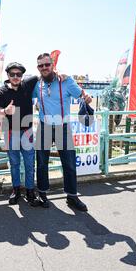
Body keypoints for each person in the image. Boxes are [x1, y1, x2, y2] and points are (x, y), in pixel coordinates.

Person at [32, 53, 93, 212]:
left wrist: (87, 97)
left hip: (62, 127)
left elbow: (83, 95)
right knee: (42, 163)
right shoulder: (36, 84)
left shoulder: (66, 81)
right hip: (44, 126)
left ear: (52, 65)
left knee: (69, 163)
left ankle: (72, 196)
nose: (44, 68)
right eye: (41, 65)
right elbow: (21, 92)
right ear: (38, 68)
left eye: (47, 64)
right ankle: (42, 194)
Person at [0, 62, 39, 206]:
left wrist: (59, 73)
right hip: (10, 132)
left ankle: (30, 191)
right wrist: (4, 111)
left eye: (18, 74)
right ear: (7, 75)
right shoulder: (2, 91)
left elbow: (42, 75)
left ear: (22, 76)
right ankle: (16, 190)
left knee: (29, 163)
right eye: (12, 74)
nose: (15, 77)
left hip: (27, 131)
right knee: (14, 163)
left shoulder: (27, 85)